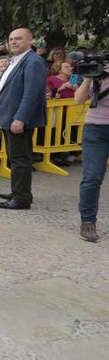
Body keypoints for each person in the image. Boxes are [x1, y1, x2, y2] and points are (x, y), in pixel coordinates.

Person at [0, 28, 47, 210]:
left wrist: (20, 118)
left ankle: (21, 198)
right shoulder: (15, 61)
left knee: (20, 158)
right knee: (14, 157)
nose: (13, 42)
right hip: (8, 117)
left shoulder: (33, 62)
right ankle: (19, 190)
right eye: (11, 39)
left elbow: (31, 94)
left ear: (30, 40)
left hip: (18, 119)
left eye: (18, 39)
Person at [73, 63, 109, 242]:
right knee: (92, 177)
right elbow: (78, 99)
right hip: (95, 130)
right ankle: (88, 221)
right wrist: (88, 78)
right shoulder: (97, 79)